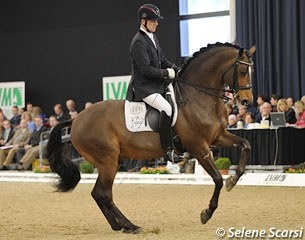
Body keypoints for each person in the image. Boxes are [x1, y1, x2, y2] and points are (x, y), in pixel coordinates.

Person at [129, 4, 179, 159]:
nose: (156, 23)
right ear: (143, 21)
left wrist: (175, 68)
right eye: (153, 21)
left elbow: (162, 60)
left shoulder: (153, 37)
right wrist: (167, 72)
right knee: (166, 108)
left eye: (156, 21)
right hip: (144, 87)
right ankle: (167, 149)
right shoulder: (138, 42)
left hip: (156, 84)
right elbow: (146, 70)